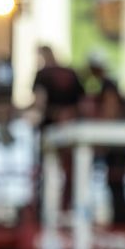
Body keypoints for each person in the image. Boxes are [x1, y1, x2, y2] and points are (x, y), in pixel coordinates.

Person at [29, 45, 86, 218]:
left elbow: (40, 102)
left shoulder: (43, 75)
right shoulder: (70, 73)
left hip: (51, 129)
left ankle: (48, 212)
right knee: (73, 172)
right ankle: (69, 208)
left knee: (46, 171)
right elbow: (82, 101)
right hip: (72, 129)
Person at [86, 50, 125, 226]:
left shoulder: (107, 86)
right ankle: (120, 220)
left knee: (115, 180)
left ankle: (121, 221)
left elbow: (110, 111)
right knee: (115, 182)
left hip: (116, 143)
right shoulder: (108, 85)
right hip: (117, 141)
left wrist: (102, 138)